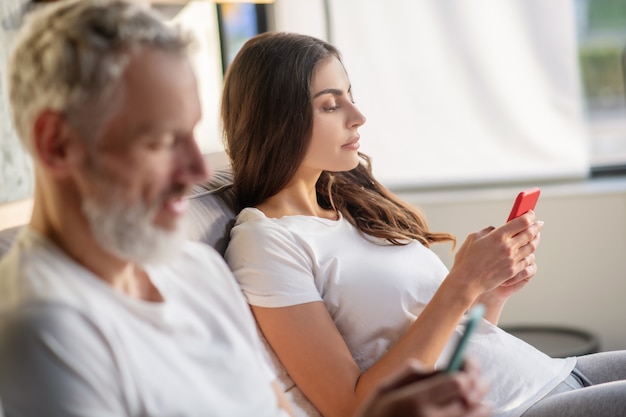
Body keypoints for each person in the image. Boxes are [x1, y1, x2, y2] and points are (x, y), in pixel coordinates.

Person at [0, 1, 491, 417]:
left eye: (191, 134)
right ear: (57, 144)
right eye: (160, 140)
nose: (196, 169)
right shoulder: (46, 330)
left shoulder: (193, 269)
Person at [221, 31, 626, 417]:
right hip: (516, 408)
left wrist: (490, 293)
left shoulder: (348, 208)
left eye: (350, 97)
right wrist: (463, 282)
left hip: (545, 374)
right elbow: (353, 407)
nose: (358, 116)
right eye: (331, 105)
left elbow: (450, 344)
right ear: (277, 121)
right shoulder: (265, 242)